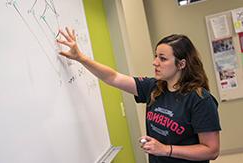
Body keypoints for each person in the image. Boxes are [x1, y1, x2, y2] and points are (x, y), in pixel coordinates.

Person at [56, 27, 221, 163]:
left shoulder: (200, 100)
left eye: (162, 58)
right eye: (155, 56)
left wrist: (165, 150)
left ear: (181, 64)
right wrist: (80, 58)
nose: (155, 62)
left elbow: (211, 150)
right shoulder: (153, 87)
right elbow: (112, 77)